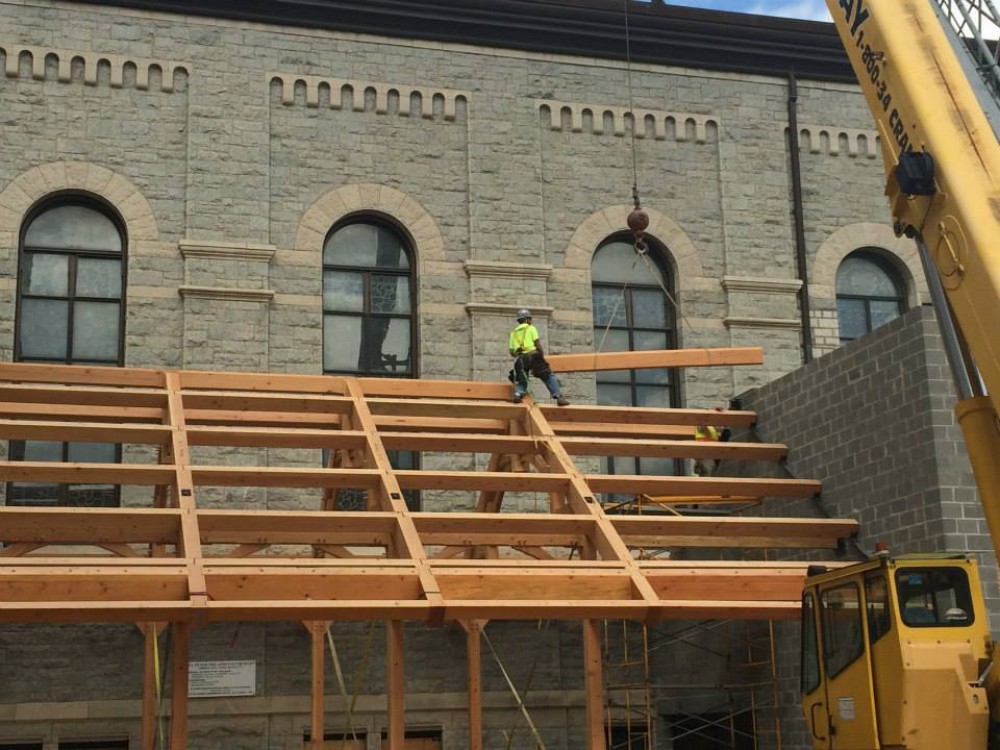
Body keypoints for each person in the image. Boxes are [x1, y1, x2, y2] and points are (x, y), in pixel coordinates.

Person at [508, 308, 569, 405]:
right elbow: (537, 344)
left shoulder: (513, 333)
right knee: (548, 375)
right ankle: (558, 397)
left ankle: (518, 394)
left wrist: (520, 354)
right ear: (527, 319)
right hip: (533, 355)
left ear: (519, 320)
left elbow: (512, 352)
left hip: (521, 358)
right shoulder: (531, 328)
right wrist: (541, 356)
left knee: (520, 378)